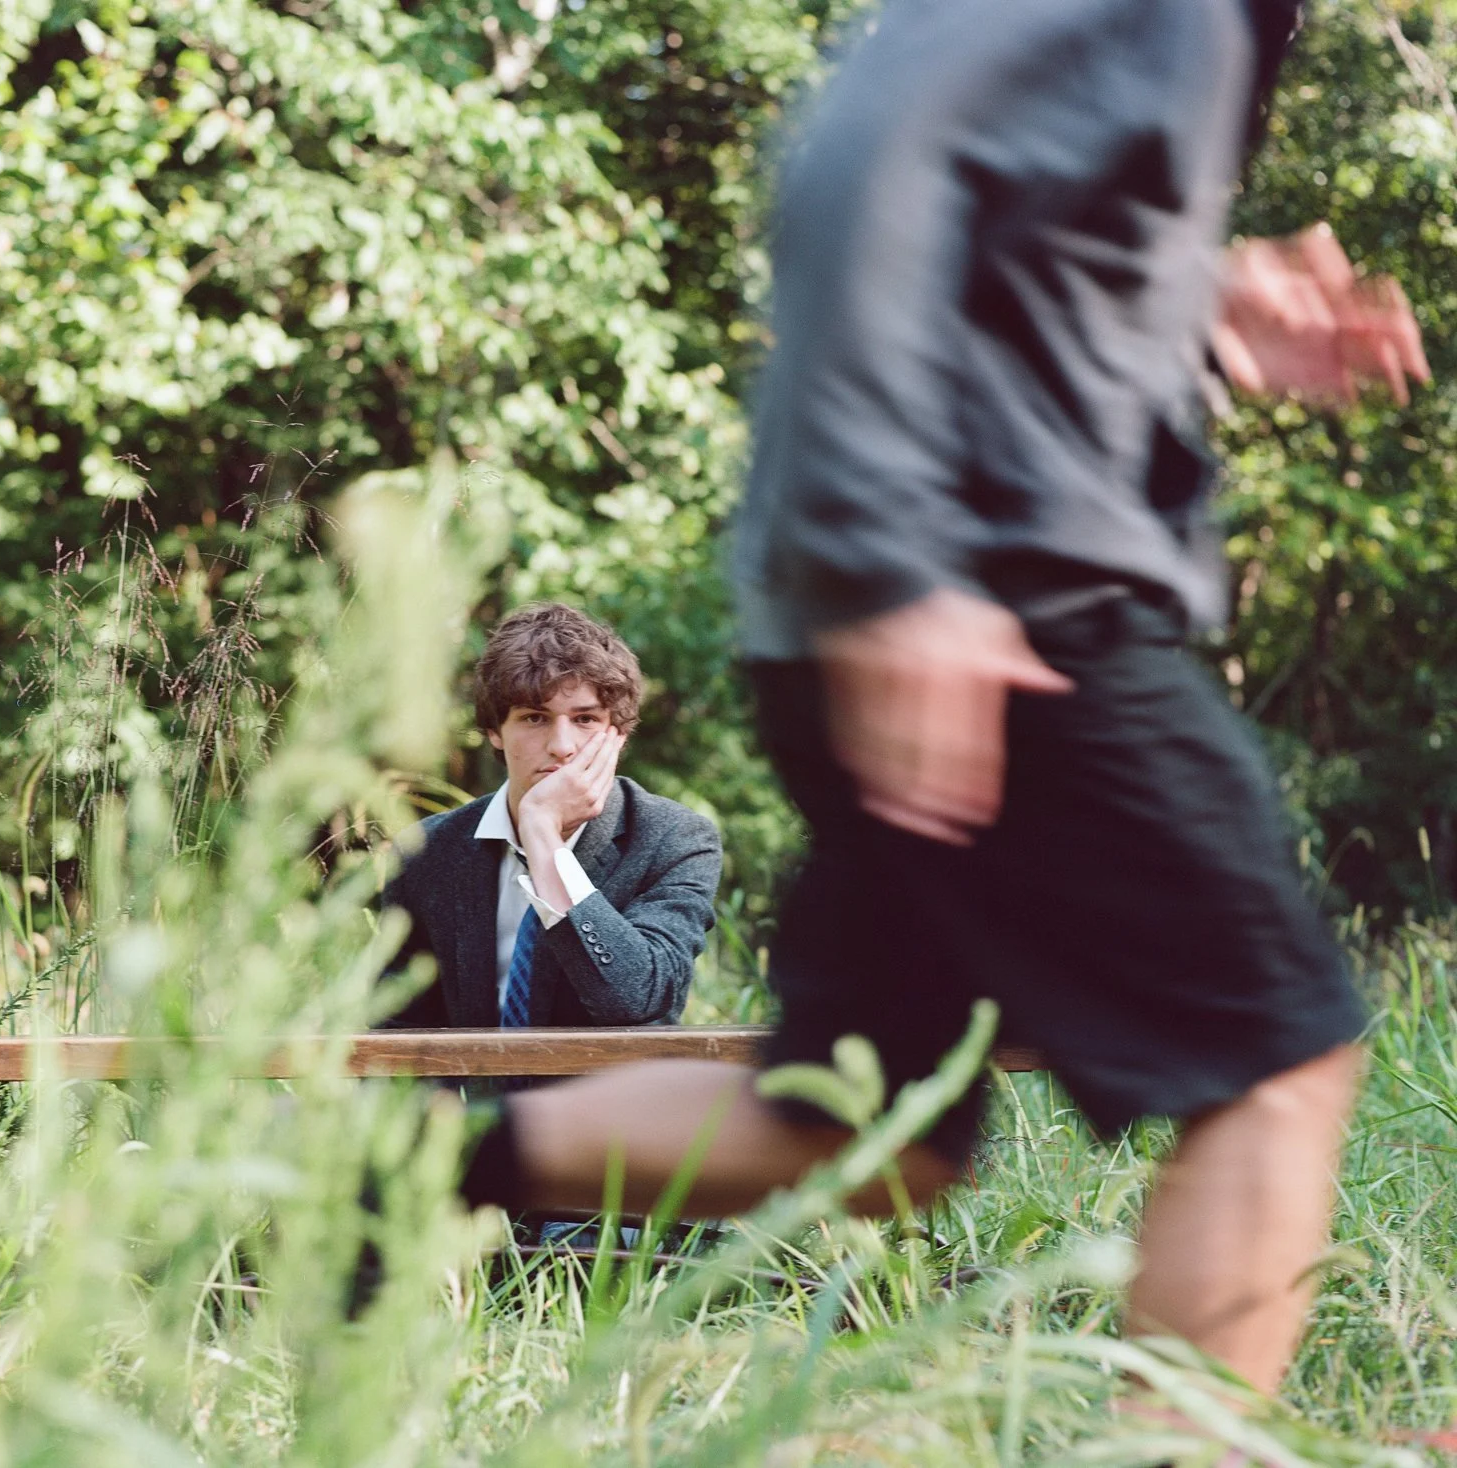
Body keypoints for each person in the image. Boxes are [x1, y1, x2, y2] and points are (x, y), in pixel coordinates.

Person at [456, 0, 1429, 1415]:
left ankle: (415, 1174)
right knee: (1277, 1058)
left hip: (919, 609)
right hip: (1003, 612)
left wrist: (1201, 304)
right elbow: (863, 152)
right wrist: (897, 563)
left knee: (854, 1124)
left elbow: (1015, 241)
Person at [382, 602, 722, 1033]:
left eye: (585, 719)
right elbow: (399, 1023)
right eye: (535, 718)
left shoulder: (674, 840)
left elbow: (638, 999)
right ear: (493, 731)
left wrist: (543, 837)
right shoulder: (427, 851)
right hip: (473, 1100)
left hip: (610, 1100)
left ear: (618, 735)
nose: (562, 745)